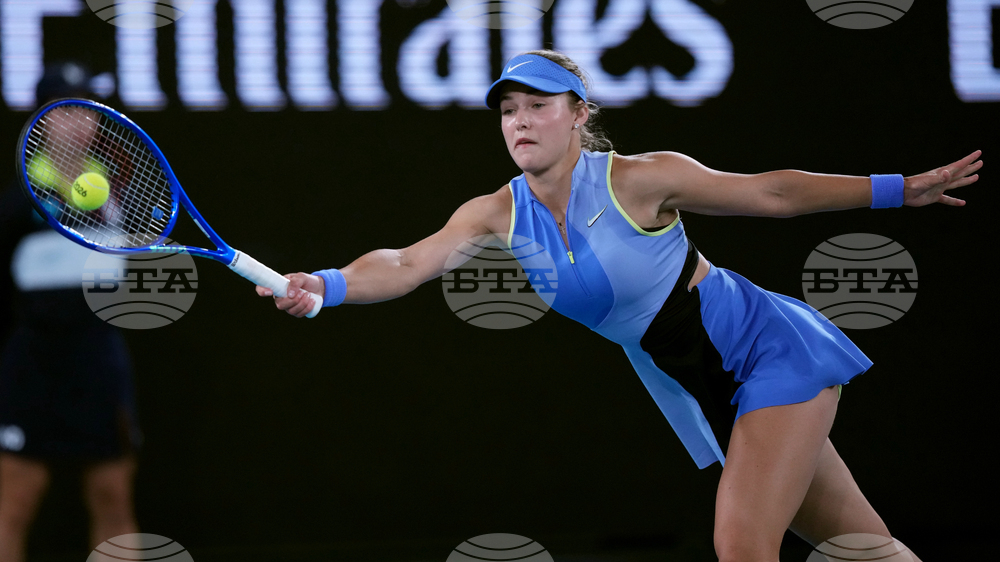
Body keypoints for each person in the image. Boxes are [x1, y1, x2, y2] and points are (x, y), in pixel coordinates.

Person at [258, 50, 981, 560]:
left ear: (578, 114)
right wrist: (328, 283)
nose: (519, 122)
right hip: (698, 386)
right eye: (508, 110)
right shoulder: (495, 213)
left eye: (538, 106)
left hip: (768, 351)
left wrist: (898, 189)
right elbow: (407, 263)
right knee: (862, 548)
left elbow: (772, 192)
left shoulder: (640, 179)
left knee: (742, 546)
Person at [0, 62, 141, 561]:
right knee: (15, 502)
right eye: (66, 110)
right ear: (41, 120)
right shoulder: (17, 200)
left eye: (88, 110)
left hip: (99, 361)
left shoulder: (122, 191)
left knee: (113, 495)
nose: (81, 122)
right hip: (33, 364)